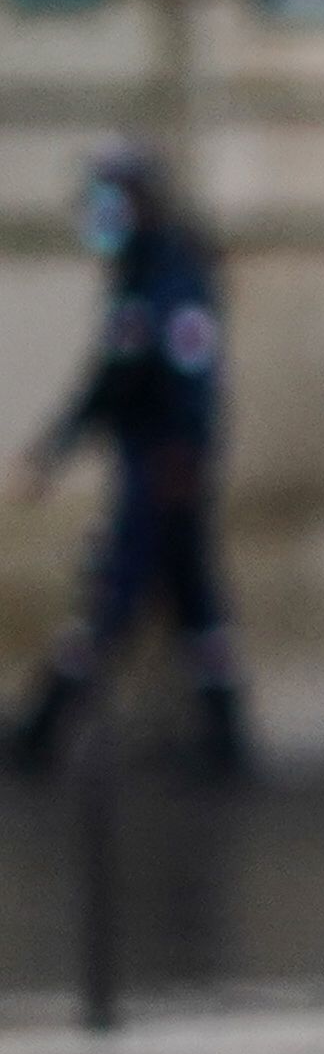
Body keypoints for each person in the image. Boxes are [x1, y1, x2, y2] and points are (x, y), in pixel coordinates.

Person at [9, 140, 250, 779]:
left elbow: (188, 372)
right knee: (195, 599)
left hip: (166, 463)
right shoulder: (137, 273)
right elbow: (111, 379)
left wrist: (184, 451)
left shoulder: (172, 271)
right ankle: (228, 732)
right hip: (154, 457)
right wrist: (56, 445)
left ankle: (43, 726)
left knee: (115, 593)